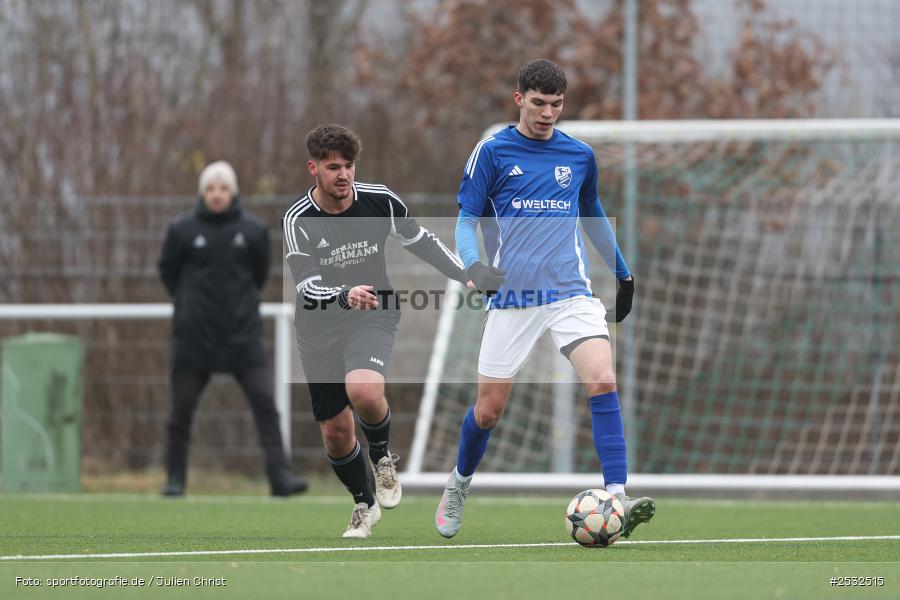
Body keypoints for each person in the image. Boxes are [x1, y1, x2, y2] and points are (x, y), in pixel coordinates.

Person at [434, 59, 655, 538]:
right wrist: (473, 266)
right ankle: (459, 482)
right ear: (519, 99)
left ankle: (617, 495)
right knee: (488, 411)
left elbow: (593, 213)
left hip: (569, 292)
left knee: (602, 379)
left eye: (556, 104)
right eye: (538, 103)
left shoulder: (579, 156)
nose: (547, 113)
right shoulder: (492, 152)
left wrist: (622, 273)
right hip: (512, 296)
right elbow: (466, 220)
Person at [283, 124, 472, 538]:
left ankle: (382, 456)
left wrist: (466, 274)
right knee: (336, 433)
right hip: (319, 328)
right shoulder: (298, 219)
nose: (343, 175)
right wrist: (344, 294)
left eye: (349, 166)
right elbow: (306, 287)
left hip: (372, 314)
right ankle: (364, 505)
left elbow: (421, 240)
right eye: (333, 167)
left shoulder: (380, 200)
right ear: (313, 168)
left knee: (365, 391)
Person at [158, 160, 308, 497]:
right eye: (211, 188)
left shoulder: (252, 230)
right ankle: (175, 479)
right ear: (202, 193)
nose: (217, 194)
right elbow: (168, 273)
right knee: (180, 412)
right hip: (194, 339)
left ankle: (280, 476)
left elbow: (259, 274)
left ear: (233, 192)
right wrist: (190, 307)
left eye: (223, 188)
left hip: (243, 337)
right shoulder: (182, 230)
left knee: (265, 405)